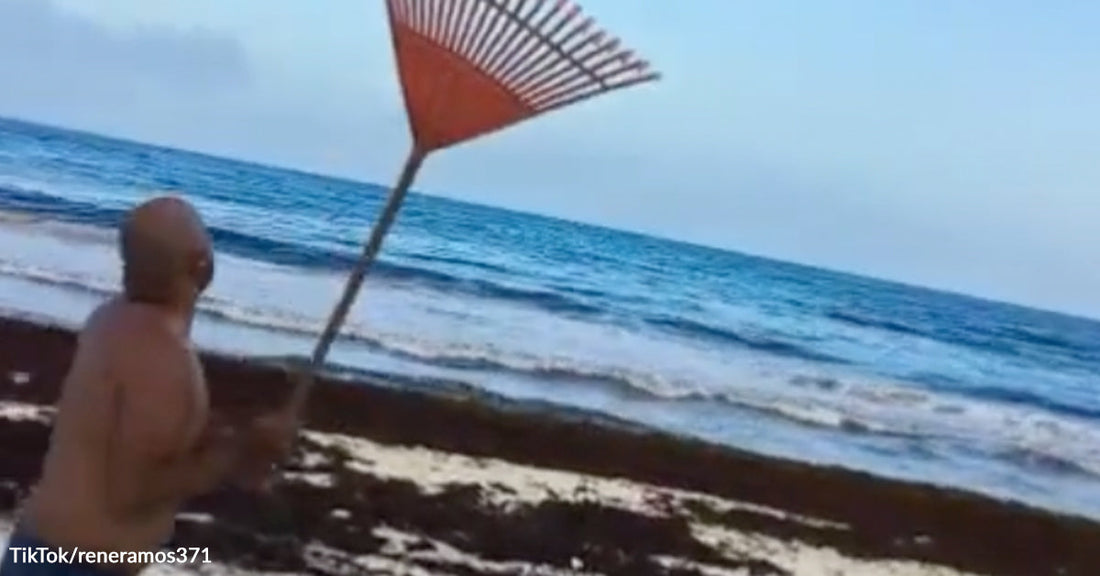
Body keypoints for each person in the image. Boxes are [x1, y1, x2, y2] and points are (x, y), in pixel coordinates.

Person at [0, 196, 299, 576]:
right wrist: (232, 456)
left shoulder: (111, 320)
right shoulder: (164, 358)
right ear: (201, 264)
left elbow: (137, 436)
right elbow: (131, 493)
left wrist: (239, 441)